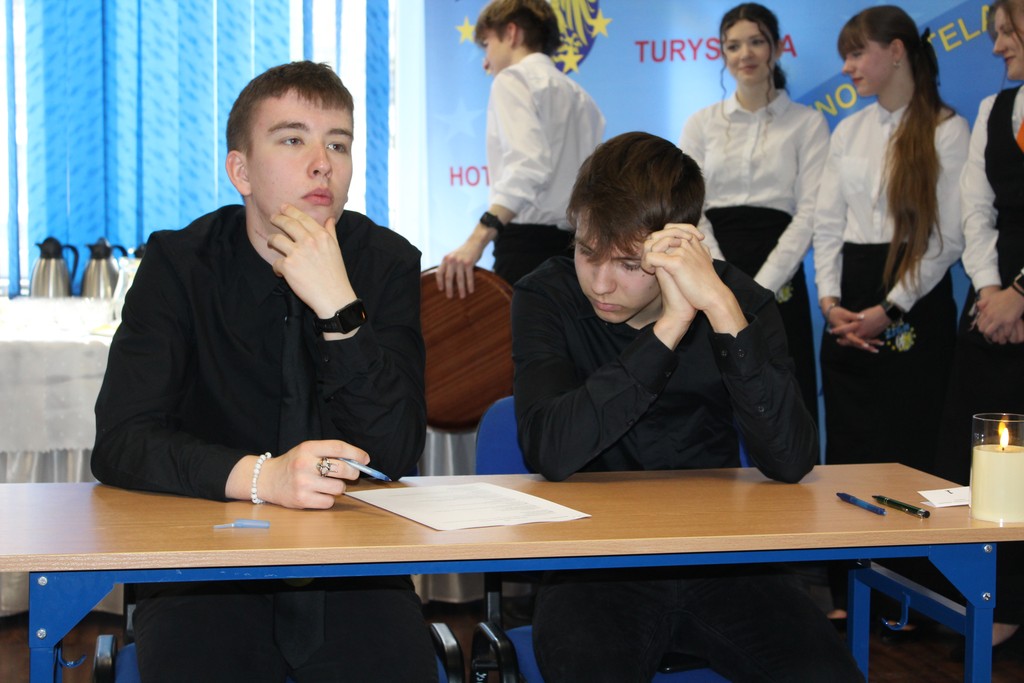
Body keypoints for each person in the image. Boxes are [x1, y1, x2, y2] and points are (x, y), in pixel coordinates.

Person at [91, 61, 437, 682]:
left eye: (338, 144)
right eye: (293, 139)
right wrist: (262, 477)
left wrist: (339, 309)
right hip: (204, 565)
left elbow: (396, 451)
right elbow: (122, 440)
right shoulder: (179, 264)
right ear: (241, 171)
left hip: (356, 568)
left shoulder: (384, 262)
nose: (322, 163)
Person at [511, 131, 863, 682]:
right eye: (587, 251)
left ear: (679, 246)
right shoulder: (546, 296)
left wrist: (720, 309)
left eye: (629, 264)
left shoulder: (739, 302)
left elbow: (791, 460)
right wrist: (670, 327)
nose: (600, 283)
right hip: (594, 566)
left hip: (724, 560)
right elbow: (550, 450)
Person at [812, 5, 968, 475]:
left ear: (896, 51)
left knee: (913, 444)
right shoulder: (847, 131)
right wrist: (829, 303)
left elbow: (947, 239)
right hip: (848, 305)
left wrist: (890, 309)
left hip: (915, 300)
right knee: (848, 448)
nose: (847, 67)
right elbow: (827, 225)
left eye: (857, 53)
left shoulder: (947, 129)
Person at [679, 2, 828, 427]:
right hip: (712, 264)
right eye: (733, 45)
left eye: (756, 42)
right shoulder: (700, 123)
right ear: (723, 54)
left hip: (780, 269)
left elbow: (810, 212)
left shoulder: (808, 123)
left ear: (776, 48)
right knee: (712, 400)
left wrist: (760, 287)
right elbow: (690, 206)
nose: (745, 54)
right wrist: (719, 277)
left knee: (783, 398)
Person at [934, 0, 1024, 655]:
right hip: (993, 308)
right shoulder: (995, 110)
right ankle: (1000, 601)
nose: (995, 47)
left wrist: (1021, 295)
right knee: (982, 460)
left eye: (1007, 32)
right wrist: (992, 292)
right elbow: (976, 213)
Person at [436, 0, 604, 298]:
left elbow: (528, 168)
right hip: (576, 254)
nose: (485, 62)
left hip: (525, 251)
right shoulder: (584, 99)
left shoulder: (512, 79)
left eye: (487, 44)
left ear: (512, 33)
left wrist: (476, 240)